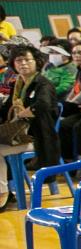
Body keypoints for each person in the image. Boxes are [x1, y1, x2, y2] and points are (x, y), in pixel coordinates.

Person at [0, 46, 58, 197]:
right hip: (16, 135)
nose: (23, 64)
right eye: (19, 60)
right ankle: (5, 192)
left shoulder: (43, 84)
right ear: (13, 64)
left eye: (27, 60)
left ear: (37, 62)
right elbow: (6, 109)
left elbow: (43, 105)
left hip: (37, 137)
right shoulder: (17, 84)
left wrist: (25, 112)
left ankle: (3, 194)